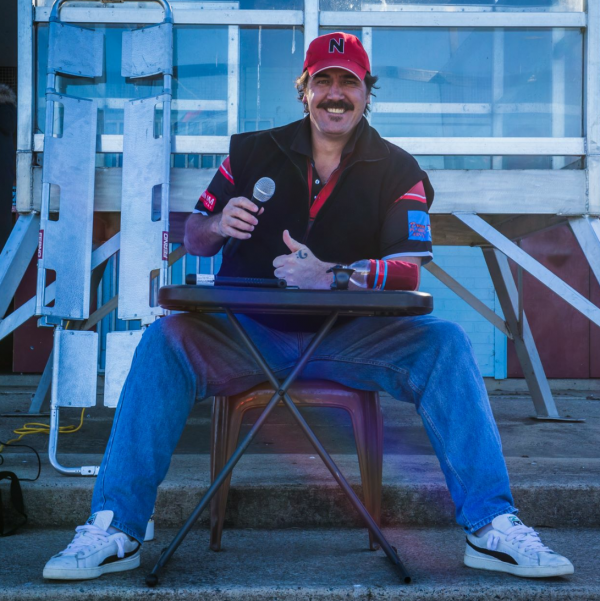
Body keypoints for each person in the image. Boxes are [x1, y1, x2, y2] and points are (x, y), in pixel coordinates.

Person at [43, 32, 573, 581]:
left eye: (350, 82)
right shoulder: (250, 151)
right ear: (305, 91)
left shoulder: (400, 169)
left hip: (349, 340)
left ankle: (492, 526)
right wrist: (219, 223)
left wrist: (332, 276)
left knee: (447, 342)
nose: (336, 94)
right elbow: (194, 236)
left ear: (368, 93)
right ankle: (117, 526)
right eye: (324, 81)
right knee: (165, 339)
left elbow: (410, 270)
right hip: (247, 333)